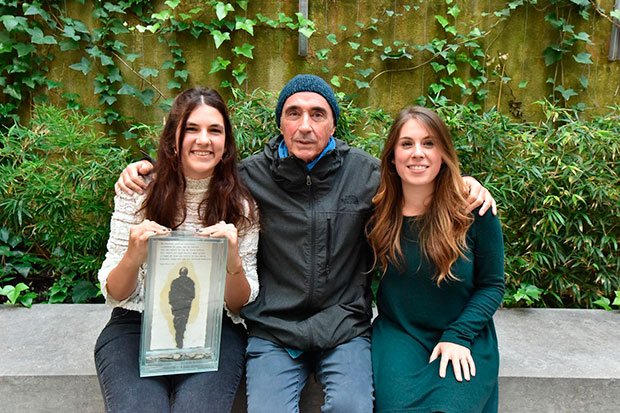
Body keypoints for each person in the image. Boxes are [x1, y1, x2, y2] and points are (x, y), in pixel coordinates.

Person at [116, 75, 496, 412]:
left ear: (333, 123)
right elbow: (196, 166)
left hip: (344, 327)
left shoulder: (366, 174)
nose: (305, 126)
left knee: (353, 406)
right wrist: (143, 167)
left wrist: (465, 183)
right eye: (293, 113)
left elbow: (418, 175)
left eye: (317, 114)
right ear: (280, 121)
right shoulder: (248, 177)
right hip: (275, 328)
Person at [94, 87, 259, 413]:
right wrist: (133, 257)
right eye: (191, 129)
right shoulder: (138, 191)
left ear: (226, 144)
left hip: (214, 329)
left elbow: (239, 305)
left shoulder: (241, 206)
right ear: (173, 138)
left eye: (215, 130)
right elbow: (114, 291)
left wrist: (233, 262)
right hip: (134, 326)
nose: (204, 140)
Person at [367, 106, 505, 412]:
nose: (418, 153)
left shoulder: (474, 210)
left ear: (443, 154)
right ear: (392, 156)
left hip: (463, 334)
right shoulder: (376, 213)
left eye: (429, 143)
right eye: (407, 144)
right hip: (400, 335)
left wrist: (459, 335)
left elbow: (493, 284)